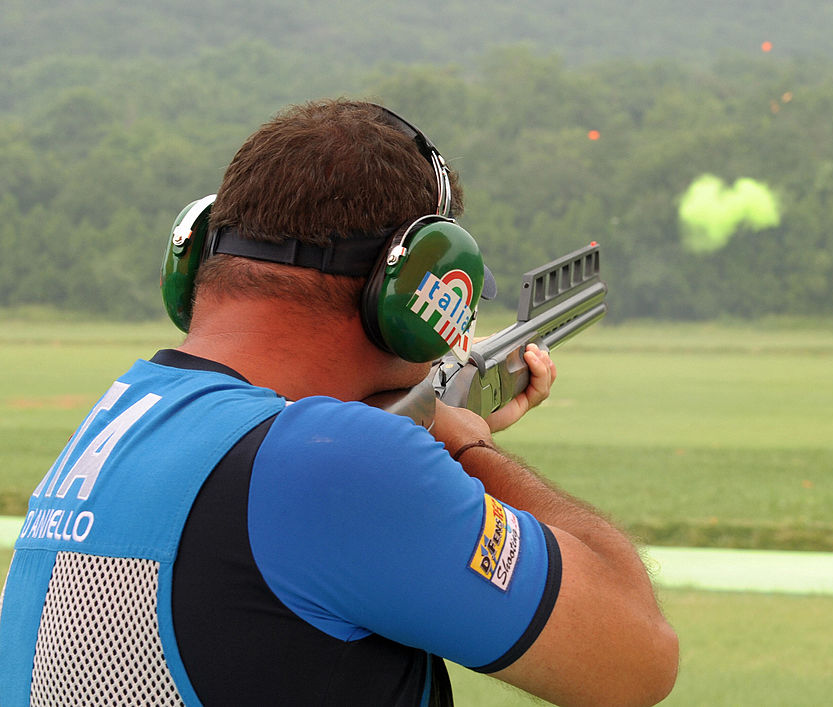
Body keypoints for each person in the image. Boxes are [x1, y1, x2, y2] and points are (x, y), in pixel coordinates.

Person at [0, 99, 678, 706]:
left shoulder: (124, 418)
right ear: (419, 291)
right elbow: (637, 660)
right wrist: (464, 442)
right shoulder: (334, 462)